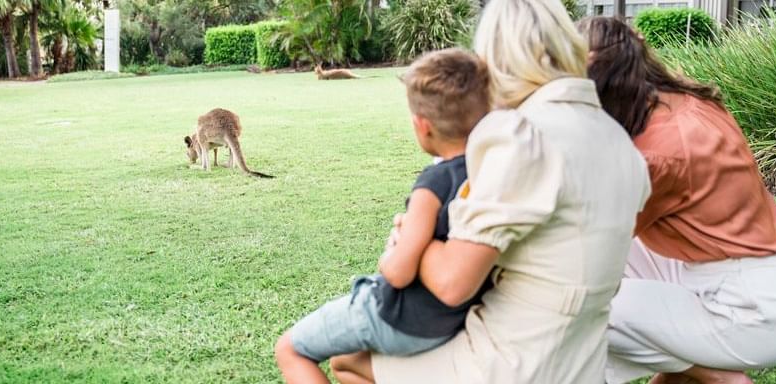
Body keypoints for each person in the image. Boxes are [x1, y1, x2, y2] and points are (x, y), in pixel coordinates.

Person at [327, 0, 651, 382]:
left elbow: (451, 284)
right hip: (581, 359)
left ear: (498, 57)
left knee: (348, 359)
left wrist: (411, 236)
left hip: (514, 362)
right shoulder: (619, 141)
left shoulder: (520, 134)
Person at [577, 17, 776, 384]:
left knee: (574, 308)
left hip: (749, 313)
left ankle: (715, 376)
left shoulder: (656, 156)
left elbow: (590, 238)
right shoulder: (684, 101)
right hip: (755, 282)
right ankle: (691, 370)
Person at [273, 48, 493, 384]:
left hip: (399, 317)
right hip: (447, 323)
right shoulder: (489, 174)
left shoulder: (433, 182)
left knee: (290, 349)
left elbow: (398, 273)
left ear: (423, 126)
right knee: (350, 361)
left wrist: (389, 255)